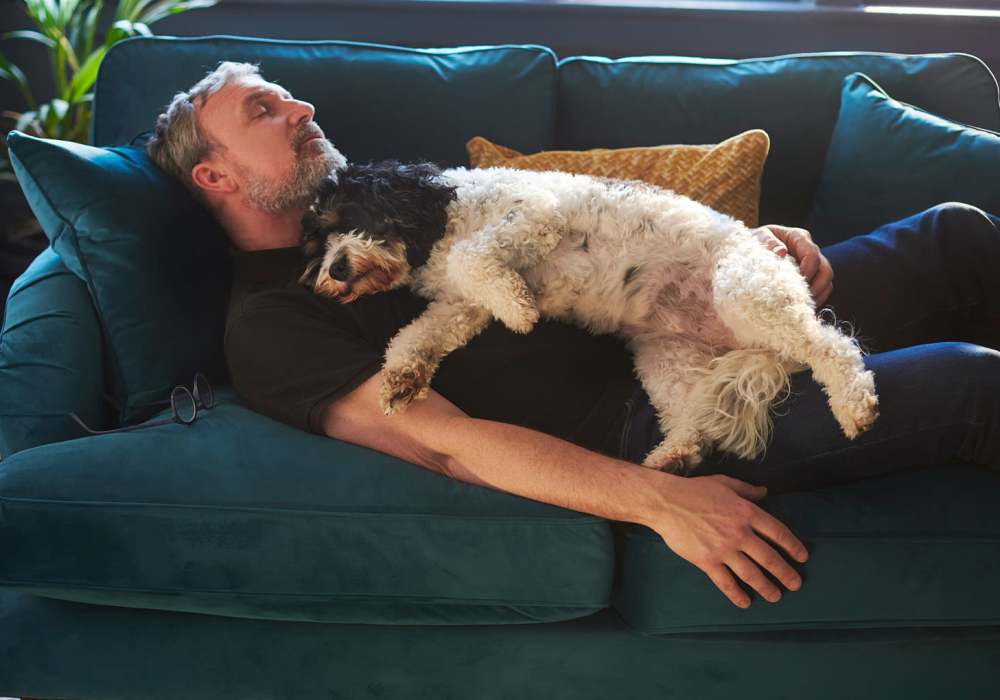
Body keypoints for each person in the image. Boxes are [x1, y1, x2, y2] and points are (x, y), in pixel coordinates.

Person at [146, 60, 1000, 611]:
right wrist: (657, 499)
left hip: (675, 293)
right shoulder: (270, 324)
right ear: (215, 175)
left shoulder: (374, 198)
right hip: (646, 409)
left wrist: (743, 246)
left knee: (956, 235)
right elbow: (449, 444)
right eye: (265, 109)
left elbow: (572, 225)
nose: (300, 106)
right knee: (970, 384)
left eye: (285, 95)